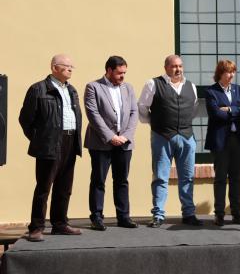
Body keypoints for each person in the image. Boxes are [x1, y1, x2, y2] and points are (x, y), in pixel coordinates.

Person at [19, 54, 82, 242]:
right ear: (55, 67)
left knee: (64, 187)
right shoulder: (38, 89)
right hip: (49, 142)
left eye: (72, 66)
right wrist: (40, 139)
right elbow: (25, 119)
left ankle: (60, 223)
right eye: (67, 66)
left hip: (70, 141)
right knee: (44, 187)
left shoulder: (71, 90)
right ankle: (36, 227)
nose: (71, 69)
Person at [138, 54, 202, 227]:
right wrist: (155, 123)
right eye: (174, 66)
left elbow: (194, 108)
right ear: (166, 67)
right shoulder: (153, 84)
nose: (178, 69)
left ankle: (189, 214)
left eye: (180, 66)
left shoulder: (191, 86)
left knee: (187, 177)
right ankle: (158, 215)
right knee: (160, 176)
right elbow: (142, 108)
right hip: (162, 136)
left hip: (187, 137)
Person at [84, 56, 139, 231]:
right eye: (119, 73)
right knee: (99, 180)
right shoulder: (93, 87)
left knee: (122, 180)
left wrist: (126, 135)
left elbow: (134, 112)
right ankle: (97, 217)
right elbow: (93, 114)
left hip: (124, 142)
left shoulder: (128, 88)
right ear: (109, 70)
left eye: (124, 72)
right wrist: (110, 136)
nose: (123, 76)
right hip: (101, 143)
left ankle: (123, 216)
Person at [204, 60, 240, 226]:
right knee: (221, 178)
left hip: (237, 139)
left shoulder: (239, 89)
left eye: (233, 72)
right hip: (220, 140)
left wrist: (229, 109)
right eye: (227, 72)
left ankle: (236, 213)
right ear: (220, 73)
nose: (231, 75)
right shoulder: (211, 91)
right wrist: (237, 110)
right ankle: (219, 214)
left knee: (236, 178)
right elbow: (216, 114)